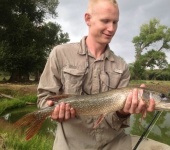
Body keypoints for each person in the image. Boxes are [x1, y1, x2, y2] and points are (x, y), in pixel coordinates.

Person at [37, 0, 155, 149]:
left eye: (115, 22)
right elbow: (43, 100)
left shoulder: (121, 66)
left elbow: (116, 121)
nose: (111, 28)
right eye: (105, 21)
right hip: (70, 145)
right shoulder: (60, 54)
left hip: (115, 143)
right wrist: (52, 110)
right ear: (88, 19)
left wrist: (123, 112)